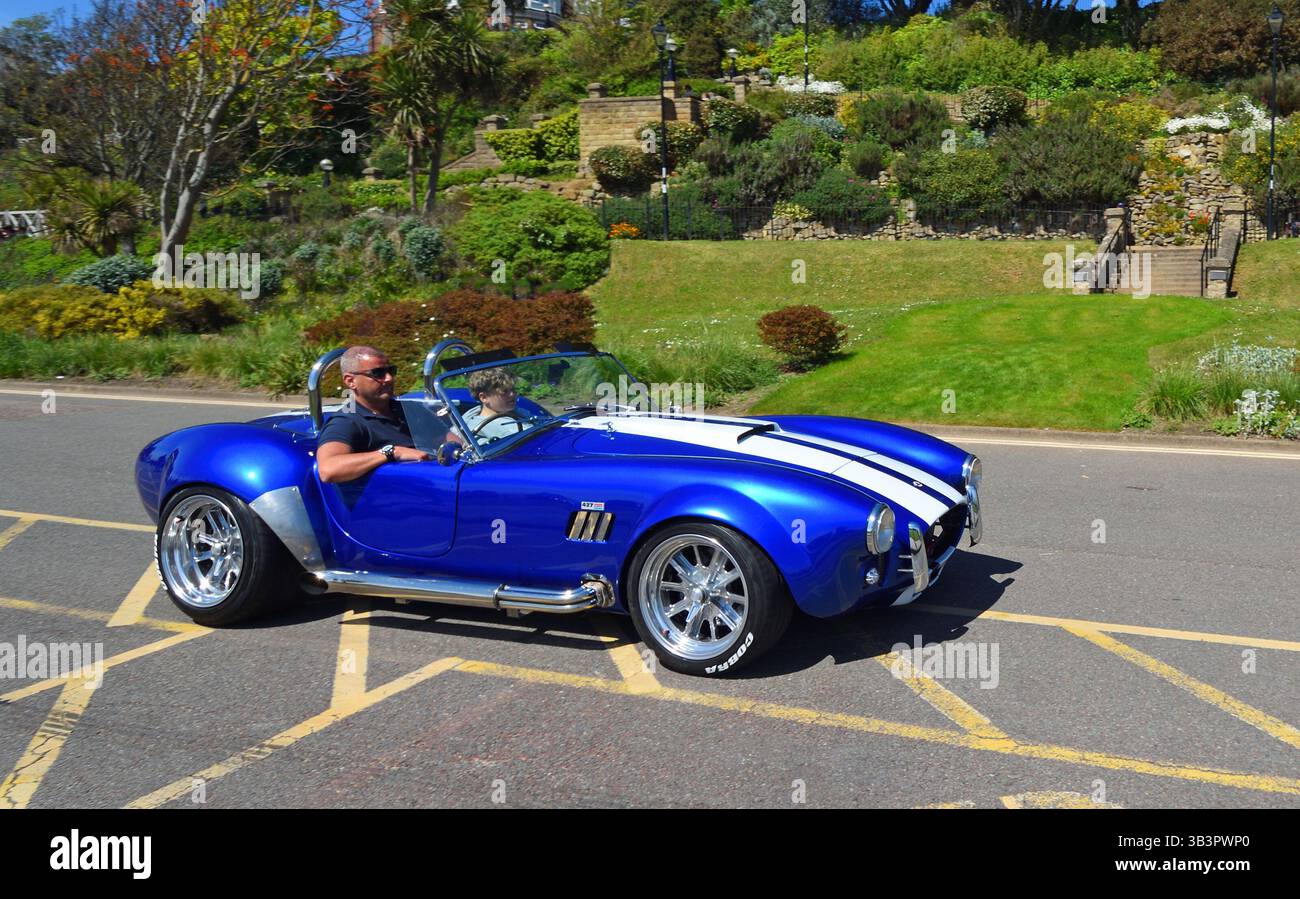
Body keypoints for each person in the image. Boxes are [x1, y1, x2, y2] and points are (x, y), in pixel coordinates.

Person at [317, 345, 431, 484]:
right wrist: (393, 452)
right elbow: (328, 469)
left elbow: (455, 444)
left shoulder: (412, 410)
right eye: (378, 373)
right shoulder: (347, 421)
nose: (389, 378)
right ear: (350, 381)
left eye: (391, 371)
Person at [461, 367, 536, 444]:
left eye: (513, 390)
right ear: (484, 397)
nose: (512, 394)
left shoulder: (519, 412)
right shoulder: (476, 430)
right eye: (504, 391)